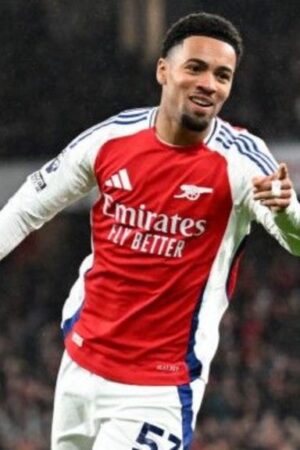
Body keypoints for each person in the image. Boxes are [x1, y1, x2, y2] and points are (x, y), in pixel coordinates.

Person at [0, 11, 300, 450]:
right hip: (81, 365)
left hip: (155, 391)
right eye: (195, 68)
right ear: (163, 70)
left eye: (222, 75)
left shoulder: (241, 160)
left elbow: (295, 238)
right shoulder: (111, 139)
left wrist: (288, 211)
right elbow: (27, 207)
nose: (209, 84)